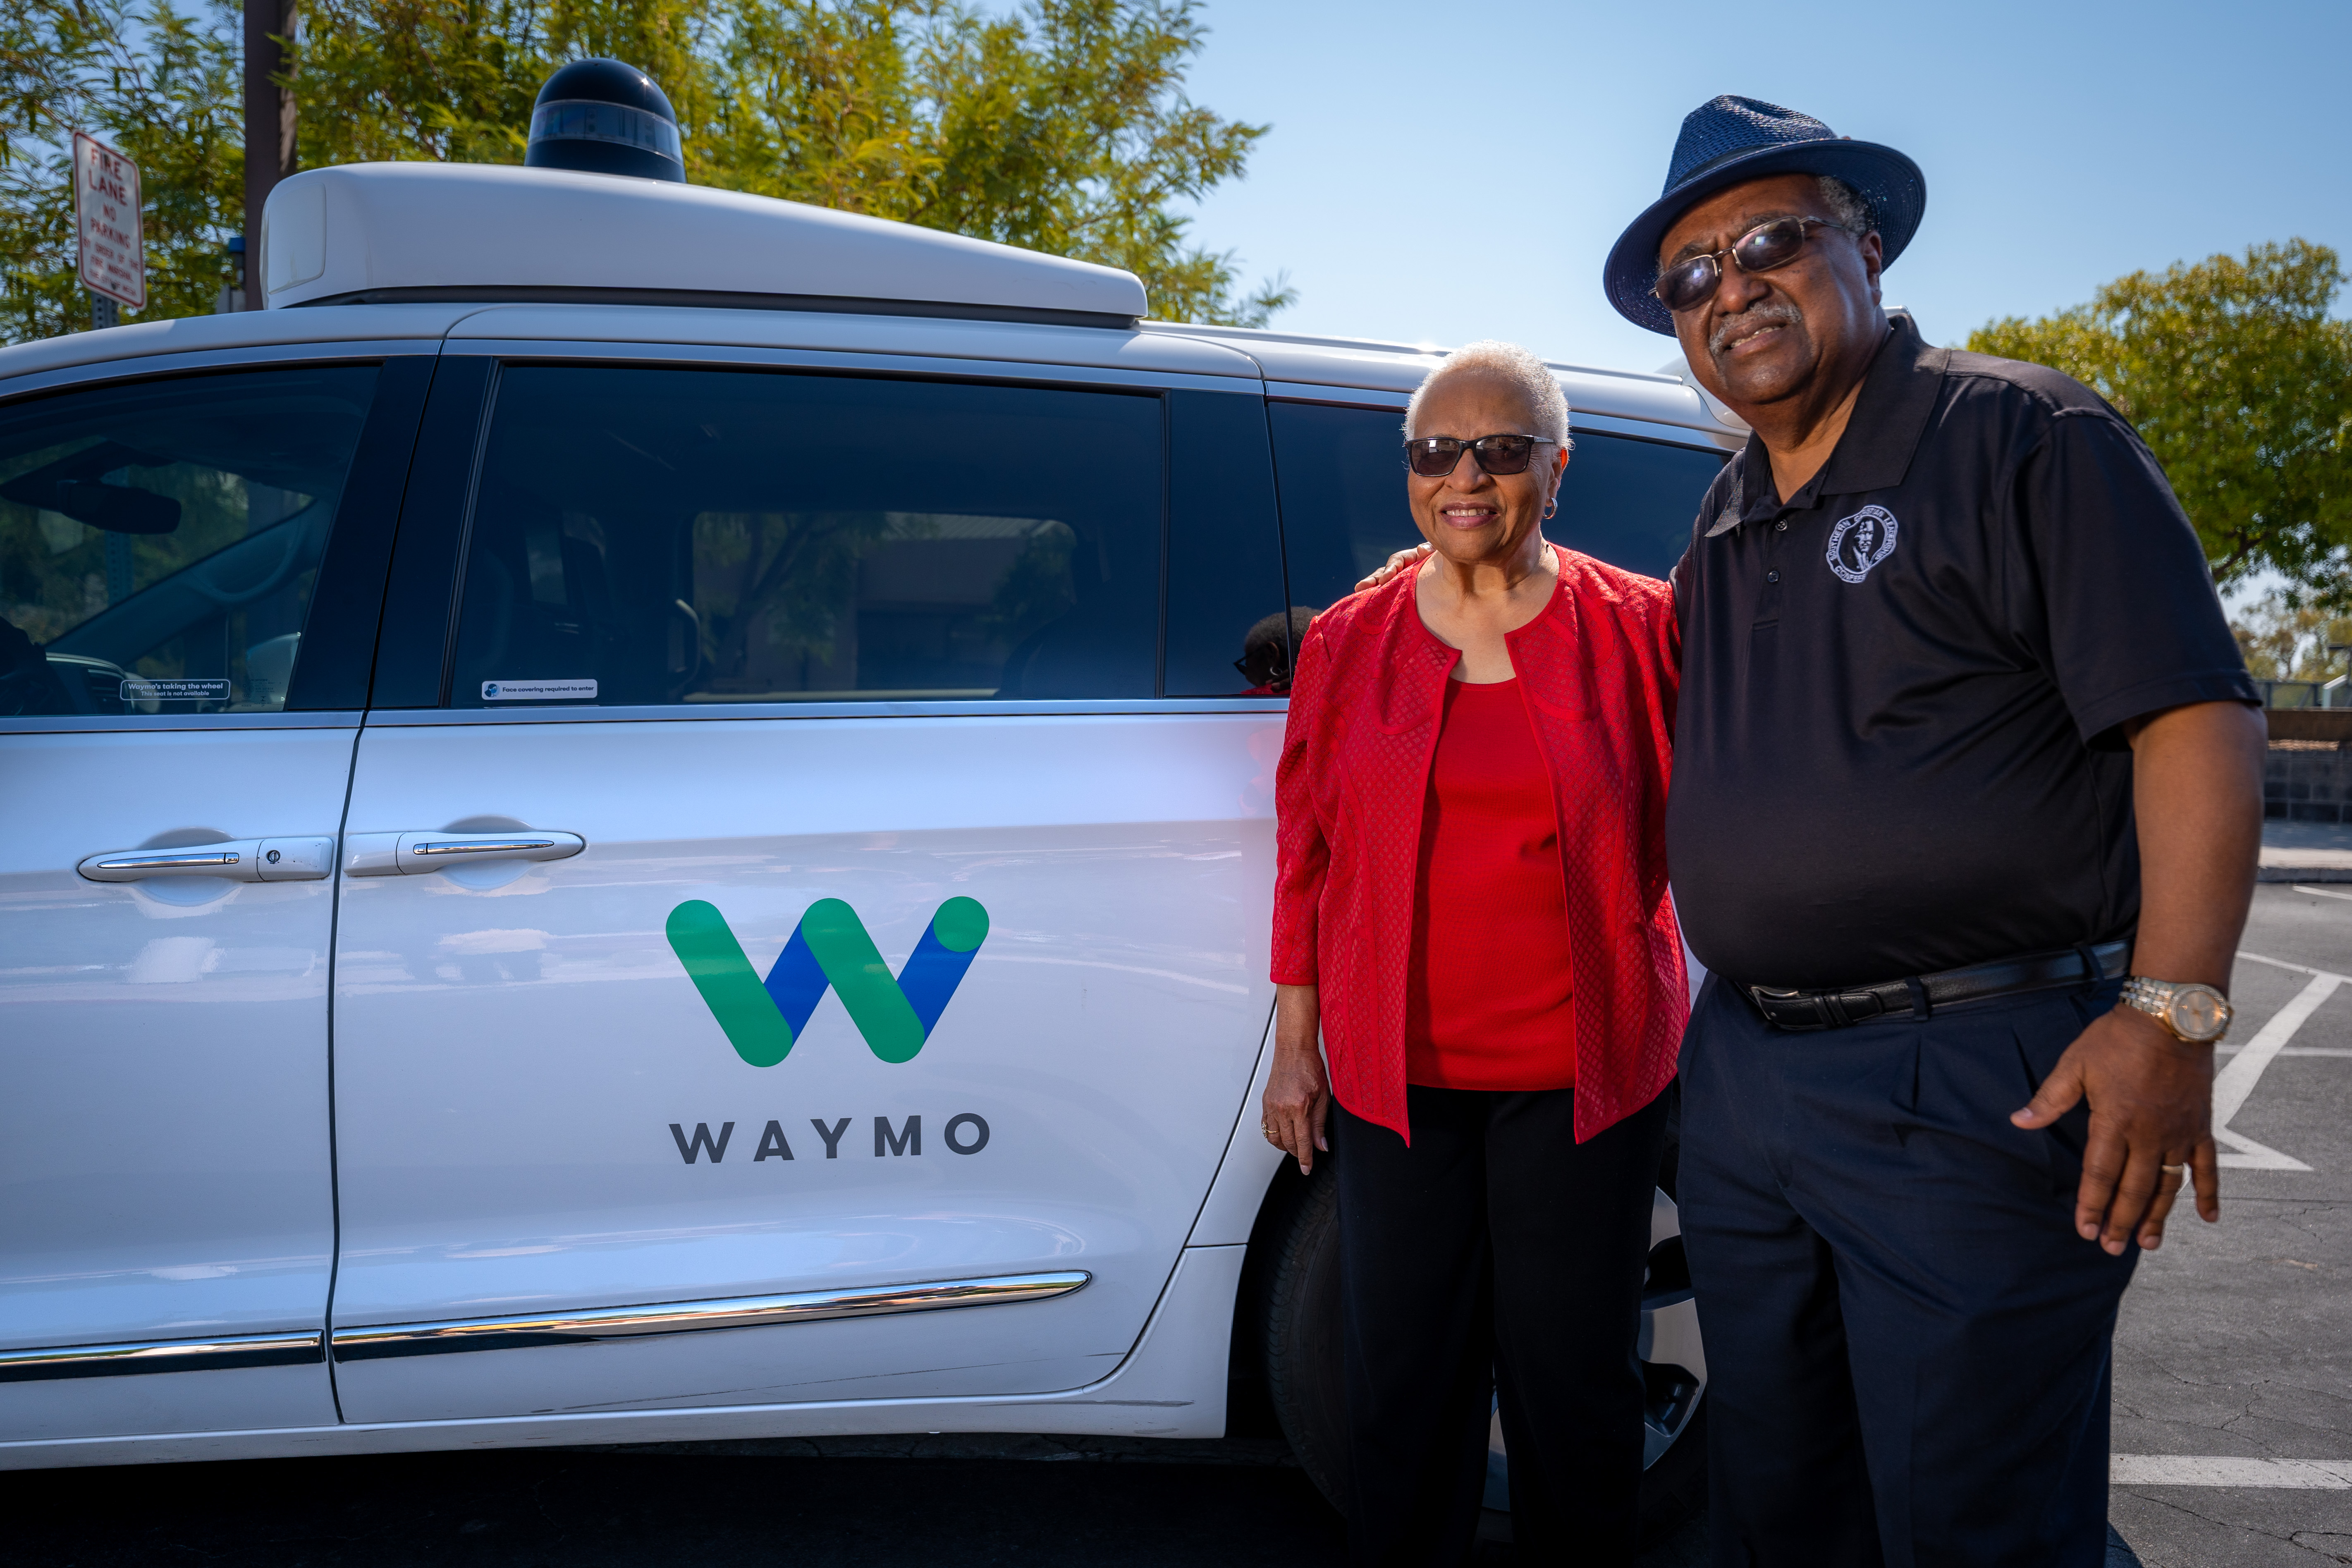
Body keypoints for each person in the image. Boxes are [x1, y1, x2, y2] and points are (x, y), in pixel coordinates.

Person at [1366, 94, 2266, 1568]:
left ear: (1867, 246)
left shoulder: (2021, 436)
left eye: (1771, 241)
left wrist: (2170, 1015)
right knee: (1780, 1512)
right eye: (1692, 275)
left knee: (1978, 1524)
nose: (1731, 288)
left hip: (1977, 1075)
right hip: (1753, 1084)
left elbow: (2195, 720)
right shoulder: (1721, 521)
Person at [1261, 341, 1687, 1566]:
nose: (1466, 476)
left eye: (1500, 451)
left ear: (1557, 466)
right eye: (1436, 453)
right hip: (1405, 1082)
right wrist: (1297, 1052)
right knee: (1402, 1392)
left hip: (1586, 1075)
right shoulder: (1352, 642)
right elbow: (1307, 854)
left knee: (1577, 1394)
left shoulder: (1641, 628)